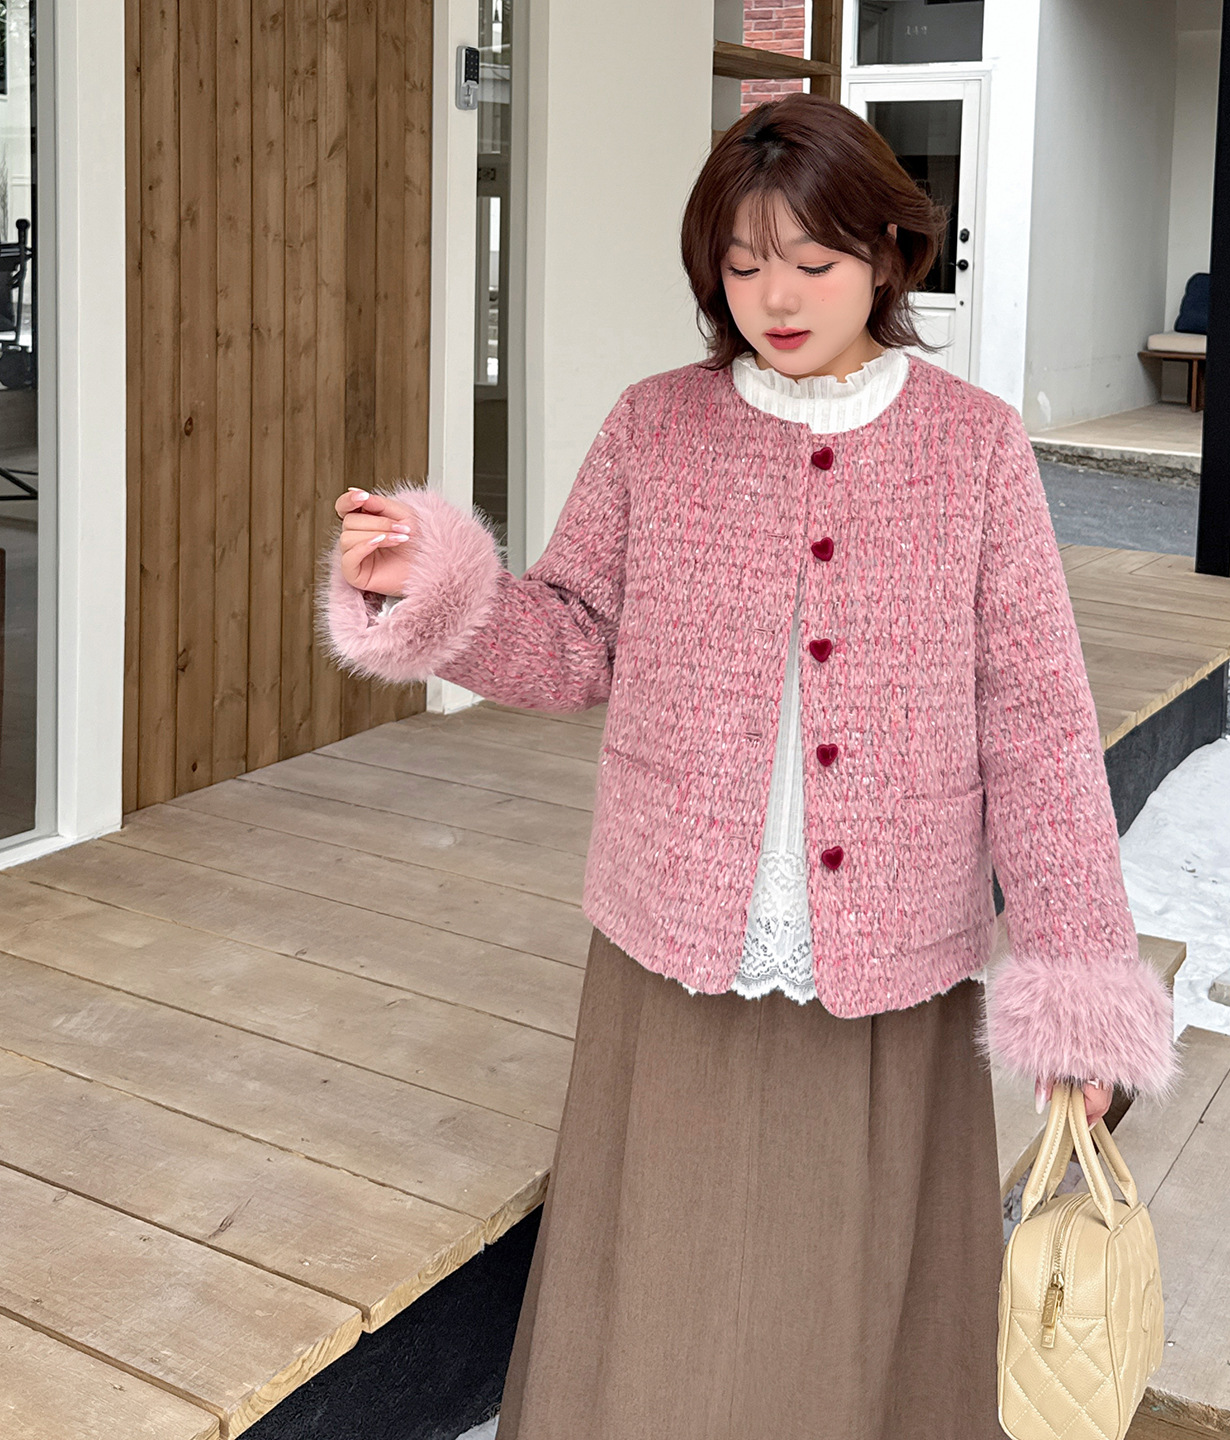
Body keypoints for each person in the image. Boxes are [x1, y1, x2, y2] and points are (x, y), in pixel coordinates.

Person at [318, 92, 1180, 1440]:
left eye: (814, 260)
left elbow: (1039, 723)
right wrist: (440, 586)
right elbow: (571, 644)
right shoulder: (656, 427)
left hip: (889, 957)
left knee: (853, 1300)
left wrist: (1078, 990)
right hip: (679, 943)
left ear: (891, 252)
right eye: (741, 262)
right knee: (669, 1286)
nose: (775, 294)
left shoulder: (974, 447)